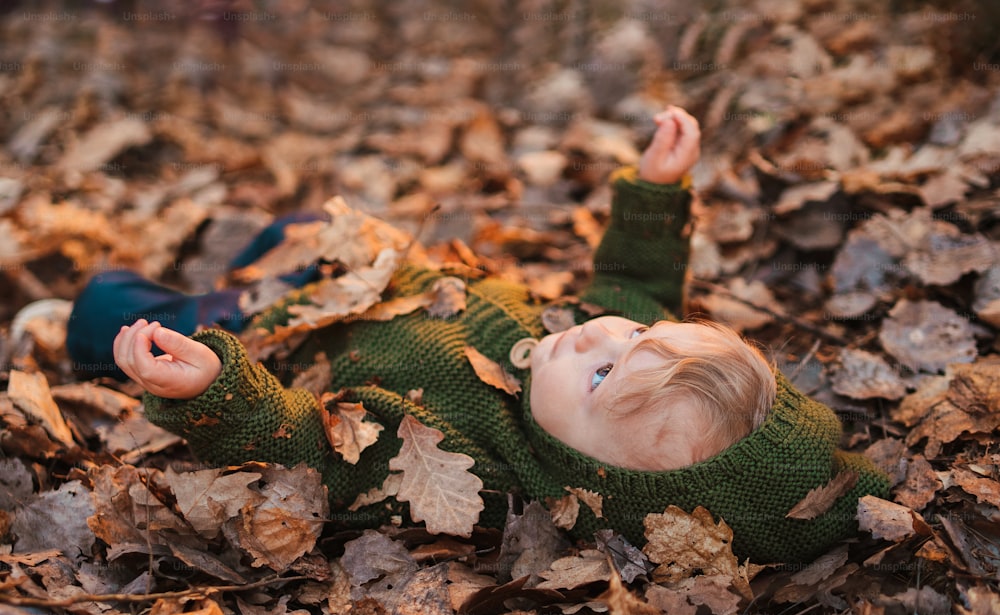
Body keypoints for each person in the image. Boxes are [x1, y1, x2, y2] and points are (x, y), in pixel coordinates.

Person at [69, 107, 889, 564]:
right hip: (362, 282)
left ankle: (157, 315)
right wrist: (656, 191)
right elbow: (628, 287)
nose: (595, 334)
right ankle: (237, 268)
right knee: (302, 222)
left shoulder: (476, 463)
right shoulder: (570, 344)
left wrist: (219, 390)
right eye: (638, 334)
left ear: (592, 472)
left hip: (274, 341)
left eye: (604, 378)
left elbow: (311, 455)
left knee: (111, 305)